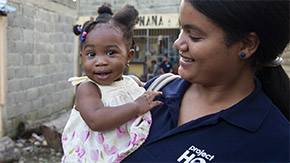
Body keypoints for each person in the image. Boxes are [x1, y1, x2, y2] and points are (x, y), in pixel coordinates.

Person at [123, 0, 290, 162]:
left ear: (246, 45)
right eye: (182, 29)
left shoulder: (274, 143)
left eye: (194, 36)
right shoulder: (156, 90)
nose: (178, 43)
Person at [61, 3, 163, 163]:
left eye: (111, 53)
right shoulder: (88, 88)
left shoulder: (131, 82)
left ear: (128, 57)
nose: (100, 62)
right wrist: (136, 106)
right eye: (91, 54)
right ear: (82, 57)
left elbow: (143, 90)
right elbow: (96, 119)